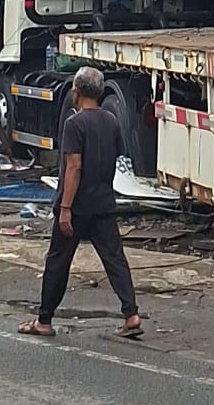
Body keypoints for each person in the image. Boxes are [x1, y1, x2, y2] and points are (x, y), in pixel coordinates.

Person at [17, 66, 142, 339]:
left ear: (77, 91)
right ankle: (131, 314)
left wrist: (65, 208)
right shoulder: (110, 120)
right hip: (104, 203)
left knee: (58, 261)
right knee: (115, 259)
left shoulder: (74, 123)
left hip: (77, 206)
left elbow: (74, 166)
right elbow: (116, 158)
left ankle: (44, 320)